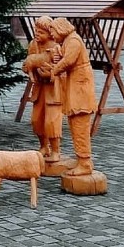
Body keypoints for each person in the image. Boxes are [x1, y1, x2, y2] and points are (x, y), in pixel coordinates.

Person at [49, 18, 97, 177]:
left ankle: (84, 163)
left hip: (80, 89)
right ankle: (82, 160)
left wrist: (55, 69)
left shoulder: (74, 40)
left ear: (61, 29)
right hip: (75, 87)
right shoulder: (69, 41)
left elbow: (68, 61)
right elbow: (64, 56)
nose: (52, 36)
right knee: (76, 125)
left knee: (80, 126)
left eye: (53, 32)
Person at [21, 16, 63, 162]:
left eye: (41, 32)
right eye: (36, 31)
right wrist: (27, 68)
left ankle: (56, 150)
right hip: (39, 89)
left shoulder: (57, 46)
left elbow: (64, 70)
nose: (37, 34)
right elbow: (27, 63)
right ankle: (44, 146)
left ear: (50, 33)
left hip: (53, 90)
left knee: (52, 121)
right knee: (36, 120)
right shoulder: (34, 45)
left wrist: (52, 73)